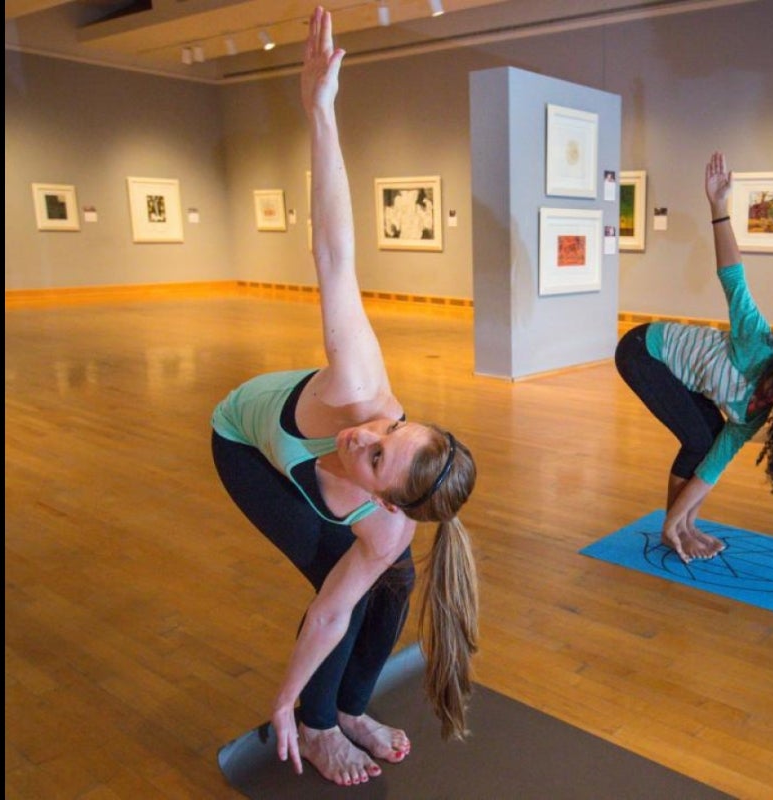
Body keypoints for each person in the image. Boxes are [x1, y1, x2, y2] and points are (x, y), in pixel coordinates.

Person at [210, 7, 477, 787]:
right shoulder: (359, 388)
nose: (366, 434)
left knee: (384, 578)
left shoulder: (390, 530)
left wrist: (282, 696)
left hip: (358, 519)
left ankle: (348, 707)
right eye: (392, 430)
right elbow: (334, 252)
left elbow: (330, 612)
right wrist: (319, 112)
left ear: (388, 504)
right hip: (242, 442)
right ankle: (328, 728)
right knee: (341, 572)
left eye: (377, 457)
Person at [615, 151, 773, 564]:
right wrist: (718, 206)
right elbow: (733, 275)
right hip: (642, 350)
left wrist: (681, 518)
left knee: (708, 442)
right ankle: (674, 527)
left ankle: (681, 526)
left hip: (675, 370)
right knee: (698, 437)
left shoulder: (752, 414)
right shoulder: (757, 343)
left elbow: (713, 467)